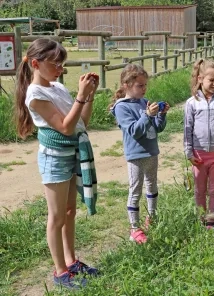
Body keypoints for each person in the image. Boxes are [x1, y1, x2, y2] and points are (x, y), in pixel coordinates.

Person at [15, 38, 99, 289]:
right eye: (56, 65)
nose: (60, 70)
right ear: (35, 63)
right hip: (54, 159)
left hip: (70, 154)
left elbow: (80, 122)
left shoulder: (57, 87)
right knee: (56, 216)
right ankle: (61, 272)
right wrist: (81, 97)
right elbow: (64, 127)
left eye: (62, 65)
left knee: (70, 212)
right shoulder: (35, 94)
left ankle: (72, 261)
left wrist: (89, 97)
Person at [110, 63, 169, 244]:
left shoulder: (145, 102)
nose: (144, 89)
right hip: (136, 155)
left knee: (152, 185)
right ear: (127, 85)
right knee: (135, 189)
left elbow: (157, 128)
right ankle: (134, 228)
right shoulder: (122, 107)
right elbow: (134, 131)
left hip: (151, 151)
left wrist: (161, 115)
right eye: (140, 85)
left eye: (145, 85)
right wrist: (148, 115)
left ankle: (152, 217)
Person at [184, 58, 214, 230]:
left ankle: (211, 220)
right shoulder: (192, 103)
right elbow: (187, 130)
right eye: (211, 80)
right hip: (198, 155)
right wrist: (189, 153)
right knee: (199, 189)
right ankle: (200, 217)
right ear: (200, 79)